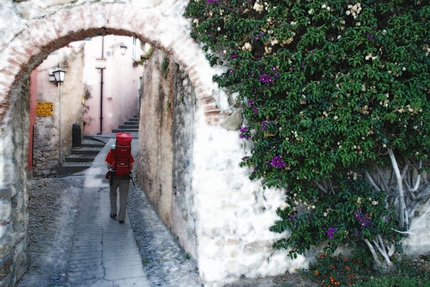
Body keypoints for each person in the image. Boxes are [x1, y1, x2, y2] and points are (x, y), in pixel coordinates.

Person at [105, 144, 135, 224]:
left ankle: (113, 212)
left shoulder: (111, 152)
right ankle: (121, 218)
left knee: (113, 194)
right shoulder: (127, 154)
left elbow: (108, 166)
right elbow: (131, 166)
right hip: (125, 178)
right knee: (123, 197)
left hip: (114, 177)